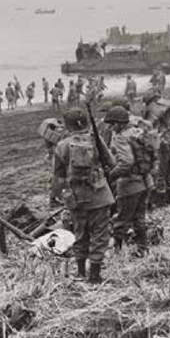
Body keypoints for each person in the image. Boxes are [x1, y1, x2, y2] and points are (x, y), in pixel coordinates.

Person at [53, 108, 115, 284]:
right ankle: (94, 275)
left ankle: (80, 272)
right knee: (100, 235)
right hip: (100, 195)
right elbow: (111, 162)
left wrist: (64, 195)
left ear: (68, 126)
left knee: (80, 233)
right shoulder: (95, 140)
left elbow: (57, 177)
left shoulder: (62, 146)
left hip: (76, 198)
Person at [104, 106, 151, 257]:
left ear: (119, 123)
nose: (111, 128)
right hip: (145, 180)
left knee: (122, 218)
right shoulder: (137, 132)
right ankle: (143, 248)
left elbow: (126, 162)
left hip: (130, 183)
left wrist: (111, 175)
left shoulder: (120, 137)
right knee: (140, 216)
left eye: (112, 124)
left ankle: (117, 252)